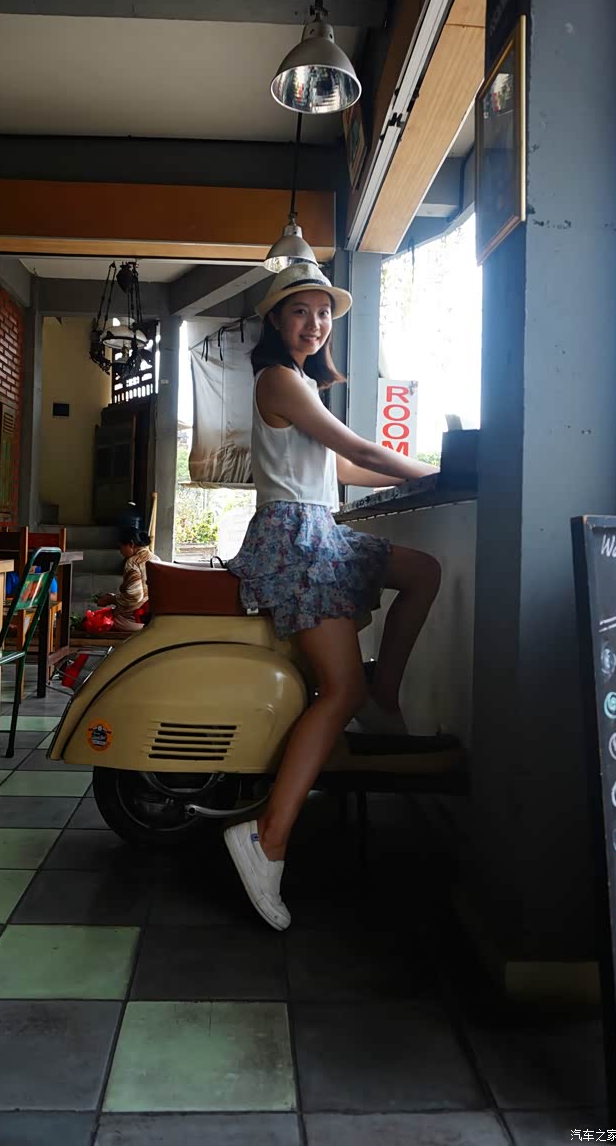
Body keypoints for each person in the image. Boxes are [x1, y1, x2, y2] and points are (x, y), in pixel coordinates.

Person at [223, 262, 441, 931]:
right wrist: (446, 473)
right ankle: (266, 837)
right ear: (275, 319)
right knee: (337, 690)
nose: (315, 323)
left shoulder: (299, 383)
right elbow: (360, 451)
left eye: (323, 312)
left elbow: (339, 466)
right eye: (301, 311)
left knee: (422, 572)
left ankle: (383, 697)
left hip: (317, 531)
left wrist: (419, 477)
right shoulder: (279, 378)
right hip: (297, 539)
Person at [95, 527, 158, 632]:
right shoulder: (156, 559)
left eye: (121, 547)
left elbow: (134, 596)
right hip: (153, 618)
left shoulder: (132, 563)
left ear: (131, 544)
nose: (120, 552)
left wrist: (111, 599)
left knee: (100, 621)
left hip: (136, 620)